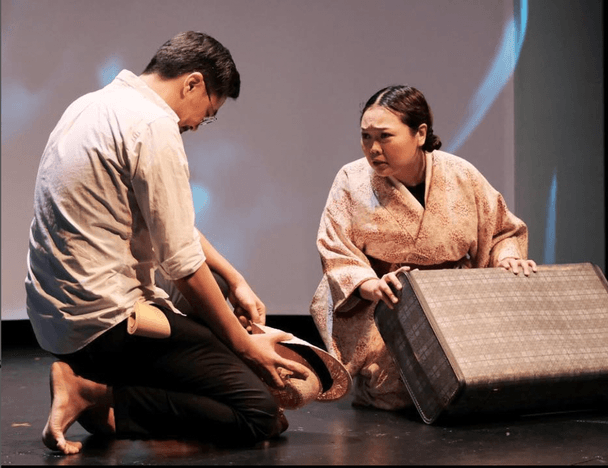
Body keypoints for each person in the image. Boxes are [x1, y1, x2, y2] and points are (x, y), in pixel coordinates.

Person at [25, 31, 309, 455]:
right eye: (207, 114)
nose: (195, 125)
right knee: (261, 414)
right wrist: (245, 346)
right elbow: (183, 265)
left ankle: (106, 396)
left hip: (53, 320)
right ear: (192, 82)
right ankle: (92, 392)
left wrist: (235, 279)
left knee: (216, 291)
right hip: (106, 323)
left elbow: (173, 224)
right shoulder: (154, 124)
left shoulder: (89, 104)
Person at [309, 85, 537, 411]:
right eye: (366, 137)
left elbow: (501, 230)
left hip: (454, 301)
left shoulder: (460, 174)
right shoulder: (351, 179)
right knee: (392, 395)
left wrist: (508, 258)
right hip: (388, 304)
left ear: (420, 133)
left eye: (385, 137)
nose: (373, 149)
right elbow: (336, 249)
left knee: (467, 390)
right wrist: (372, 286)